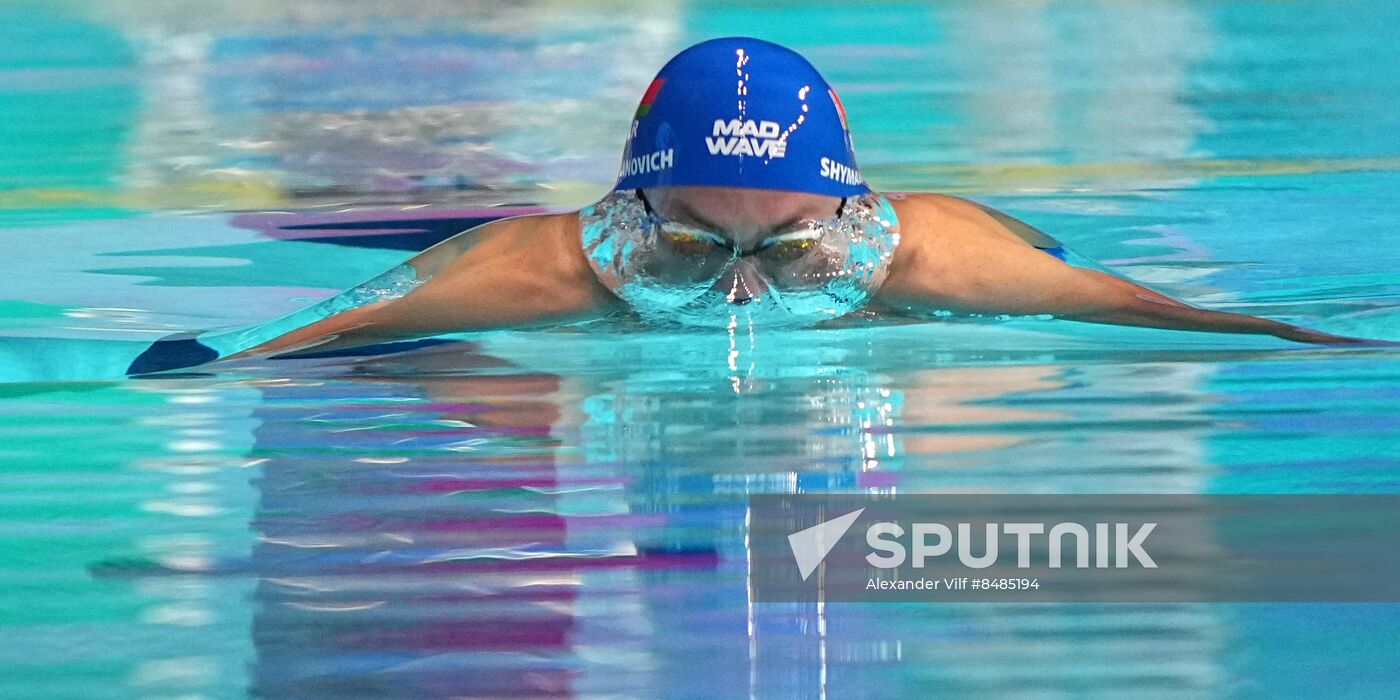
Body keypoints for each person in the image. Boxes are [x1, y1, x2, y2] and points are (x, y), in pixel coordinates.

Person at [126, 36, 1374, 375]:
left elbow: (1181, 314)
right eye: (683, 244)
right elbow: (293, 334)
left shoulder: (924, 256)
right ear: (626, 210)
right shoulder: (542, 270)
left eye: (785, 249)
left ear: (849, 211)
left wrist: (1336, 345)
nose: (734, 288)